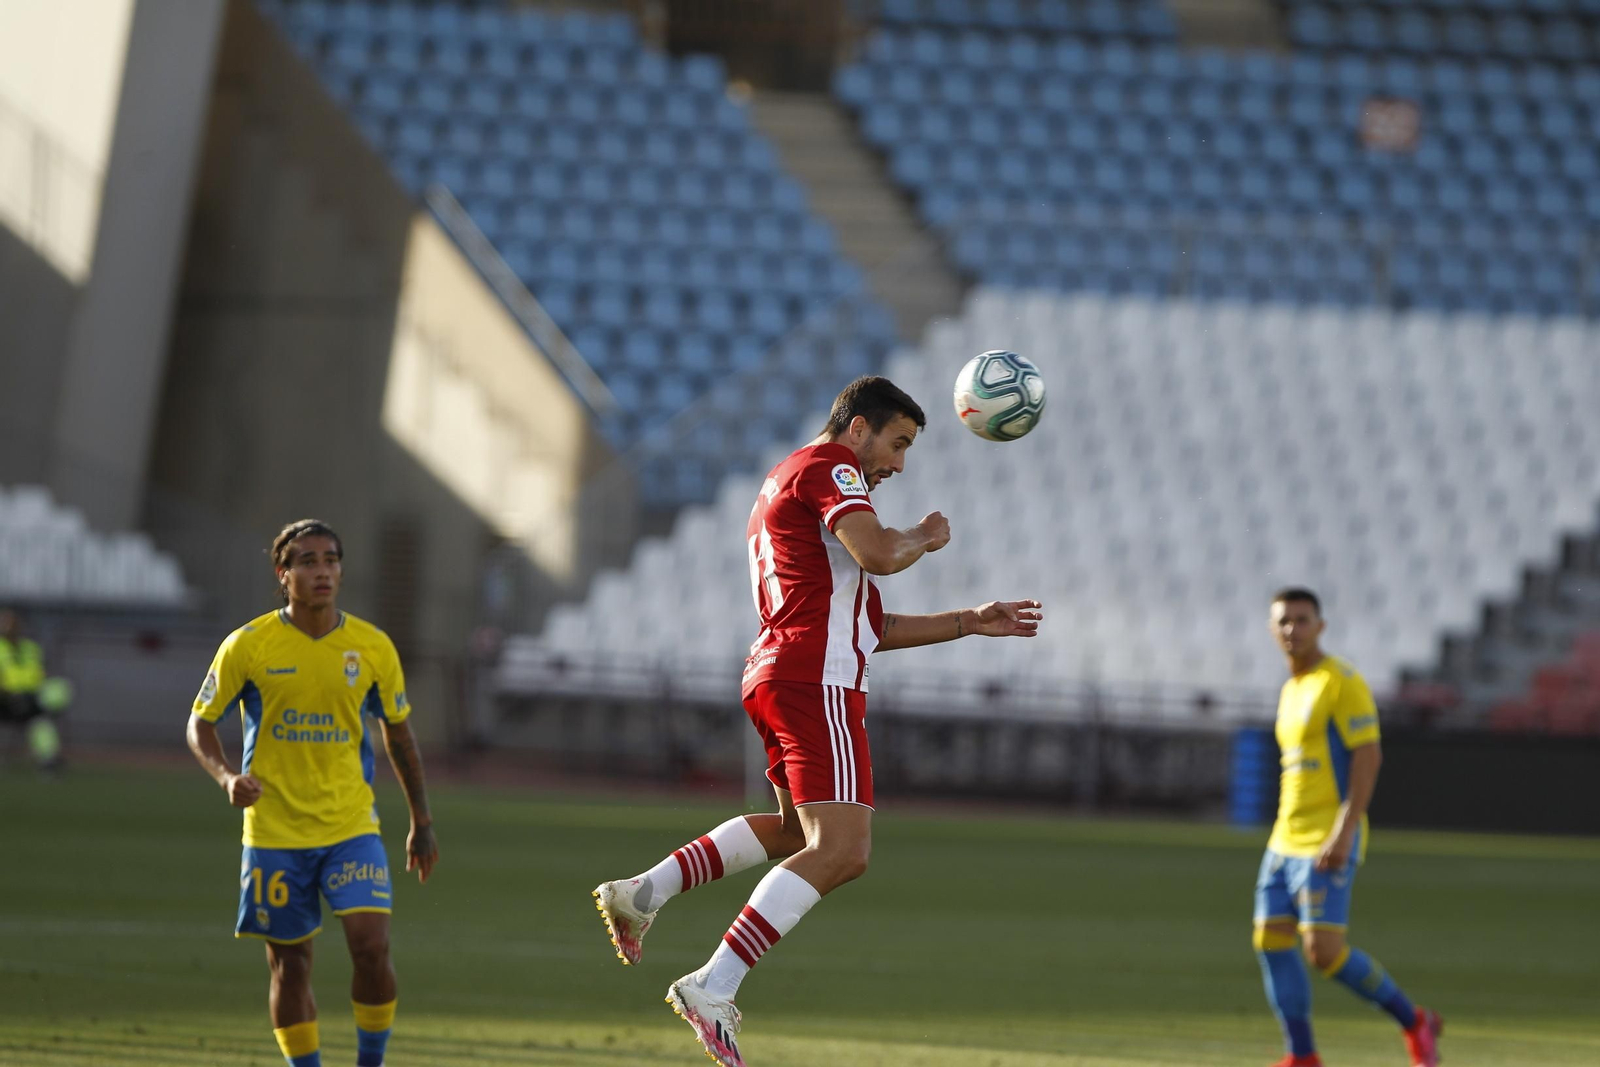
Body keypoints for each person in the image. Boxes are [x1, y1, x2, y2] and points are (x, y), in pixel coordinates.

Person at [591, 377, 1043, 1067]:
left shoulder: (785, 479)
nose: (897, 465)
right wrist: (921, 534)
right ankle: (713, 985)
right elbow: (882, 555)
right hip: (815, 679)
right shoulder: (831, 467)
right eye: (896, 444)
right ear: (857, 429)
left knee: (792, 833)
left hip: (781, 671)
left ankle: (641, 891)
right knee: (843, 849)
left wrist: (969, 623)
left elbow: (871, 622)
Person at [186, 520, 438, 1067]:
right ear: (284, 574)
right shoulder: (248, 645)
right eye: (307, 561)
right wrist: (227, 776)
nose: (321, 570)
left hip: (351, 826)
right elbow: (200, 723)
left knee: (372, 947)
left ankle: (370, 1062)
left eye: (330, 559)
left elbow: (398, 733)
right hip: (274, 832)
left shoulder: (371, 647)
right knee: (292, 964)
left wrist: (421, 818)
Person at [1254, 588, 1442, 1067]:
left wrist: (1344, 828)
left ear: (1321, 626)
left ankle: (1414, 1020)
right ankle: (1302, 1055)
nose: (1292, 629)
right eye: (1283, 621)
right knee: (1271, 941)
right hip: (1283, 840)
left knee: (1324, 952)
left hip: (1326, 837)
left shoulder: (1341, 682)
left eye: (1302, 619)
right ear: (1273, 629)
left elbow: (1368, 754)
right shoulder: (1292, 688)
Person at [0, 608, 69, 771]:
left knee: (42, 718)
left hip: (30, 699)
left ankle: (49, 762)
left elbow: (41, 675)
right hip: (5, 701)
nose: (10, 628)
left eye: (13, 623)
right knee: (38, 719)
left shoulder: (31, 648)